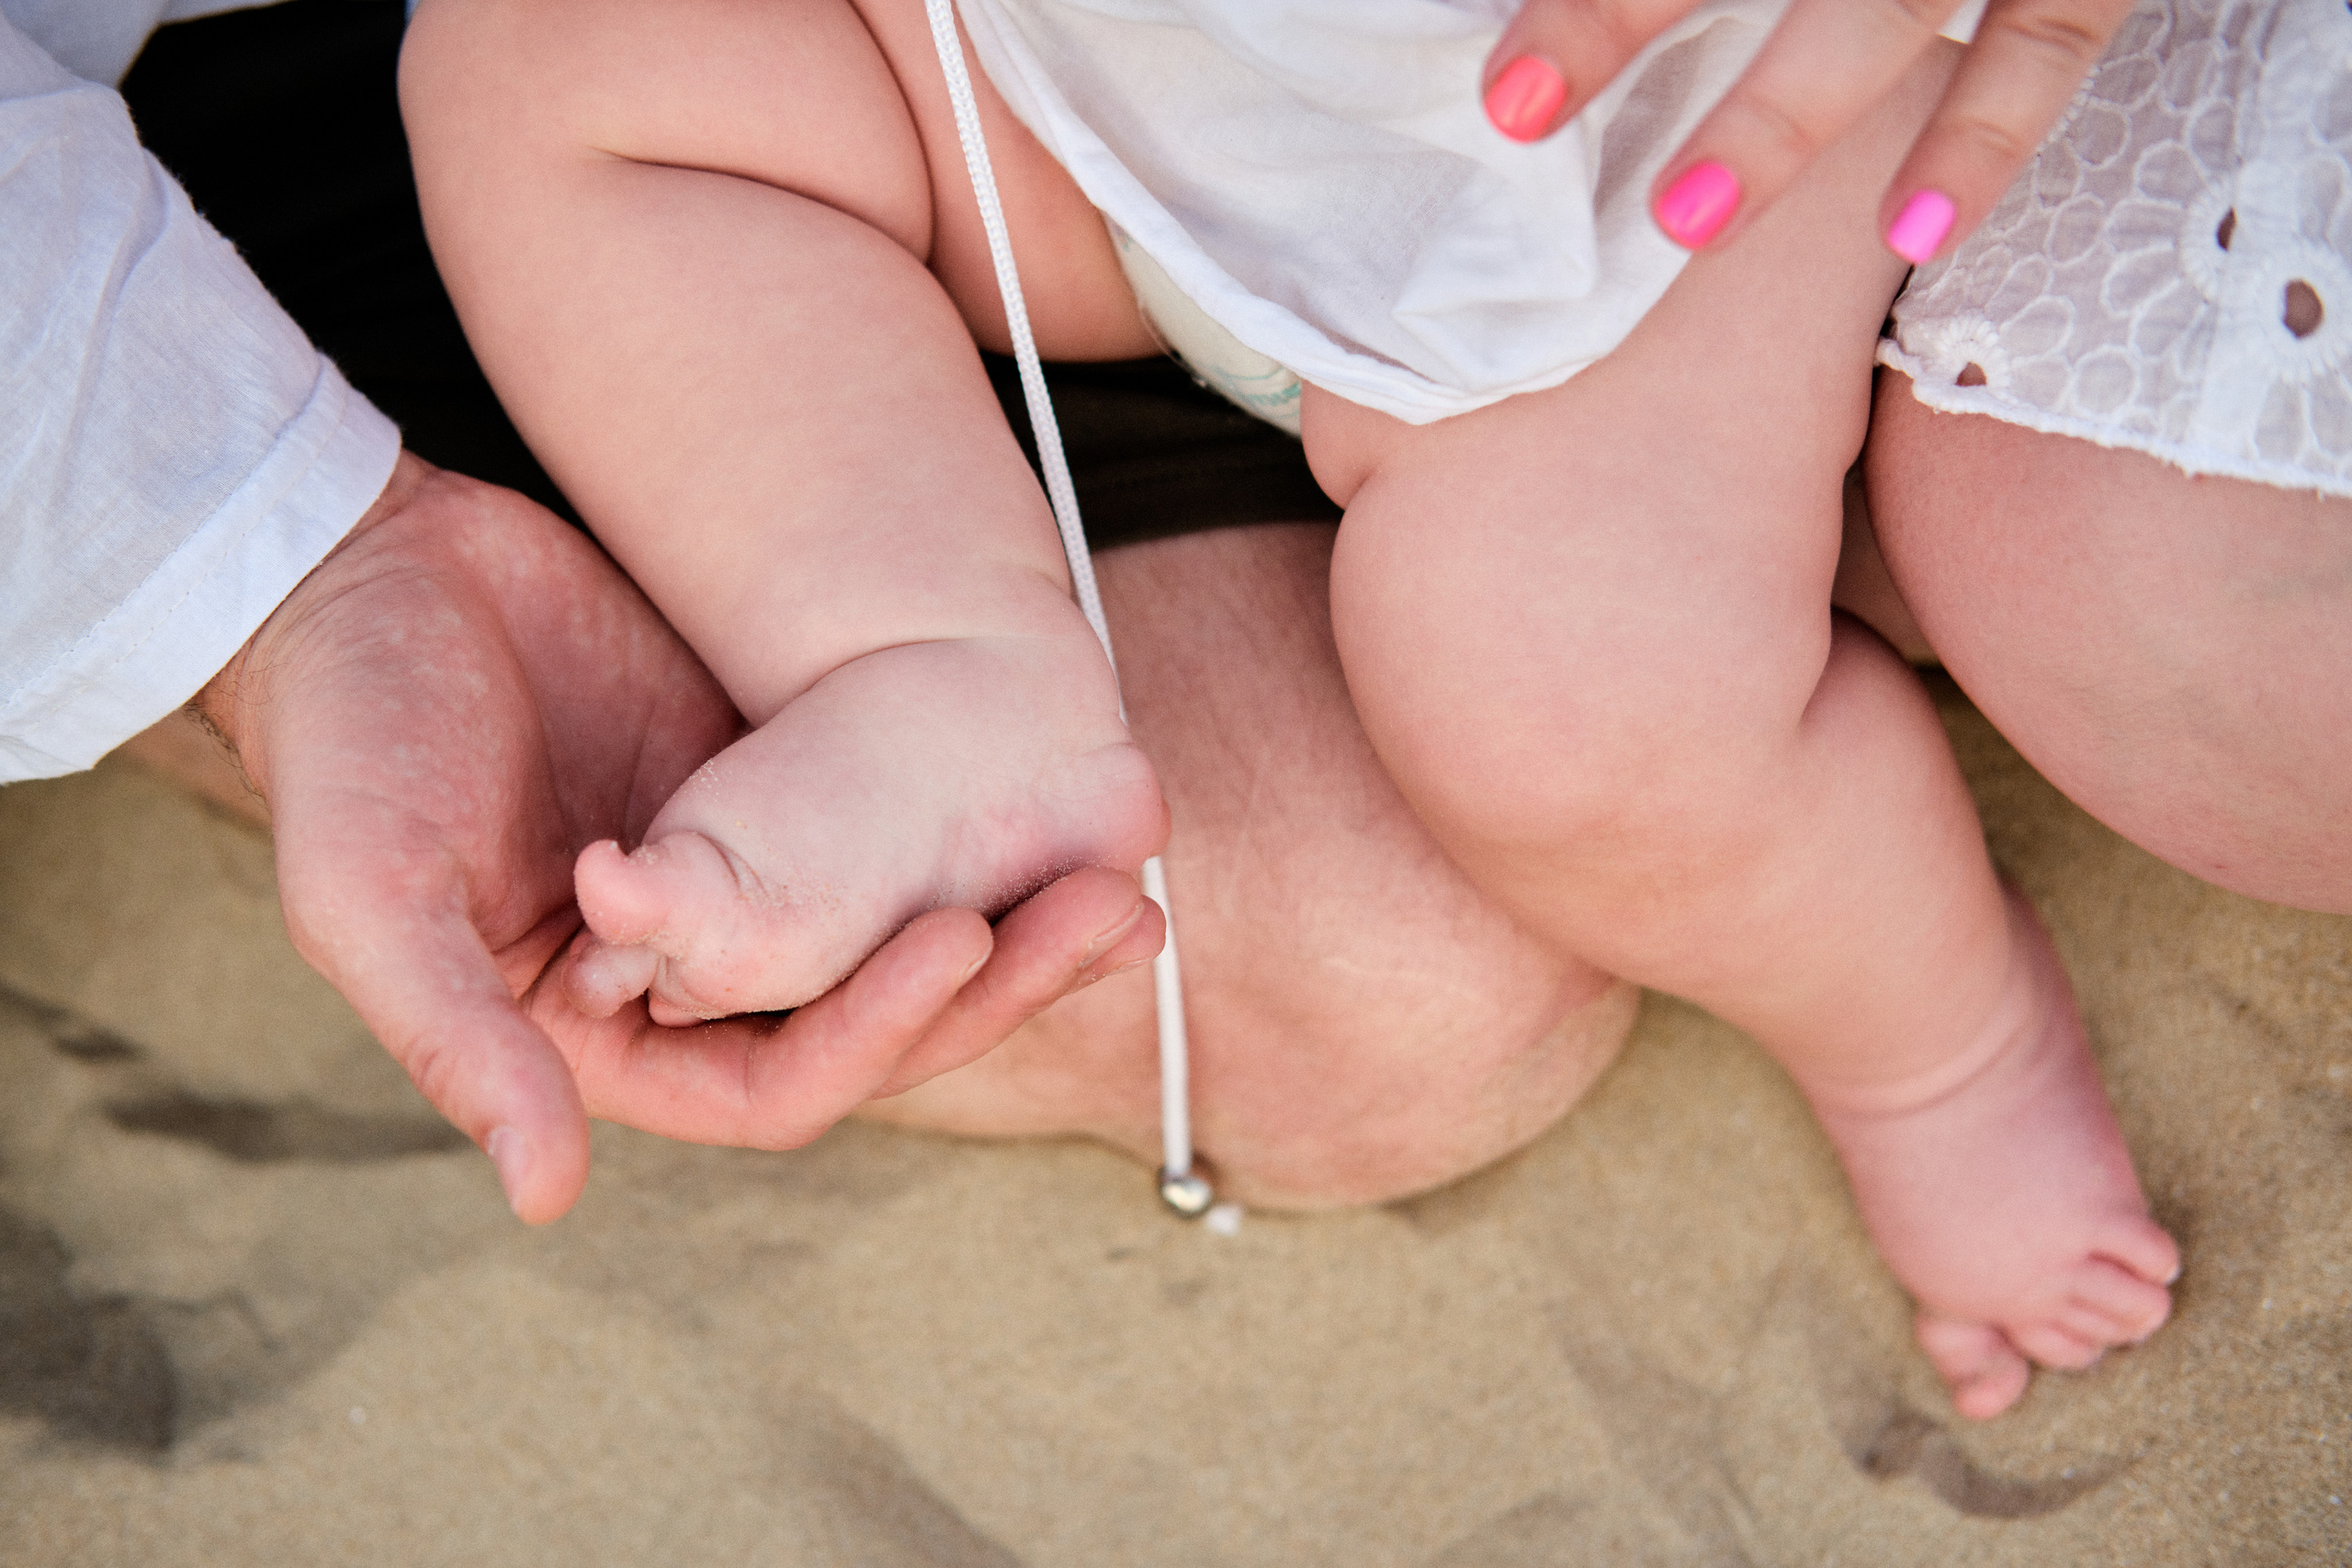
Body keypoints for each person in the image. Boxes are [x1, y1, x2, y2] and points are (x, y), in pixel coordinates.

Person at [401, 0, 2183, 1420]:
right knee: (540, 57)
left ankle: (1937, 1050)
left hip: (1613, 138)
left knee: (1562, 704)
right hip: (1064, 80)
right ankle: (927, 646)